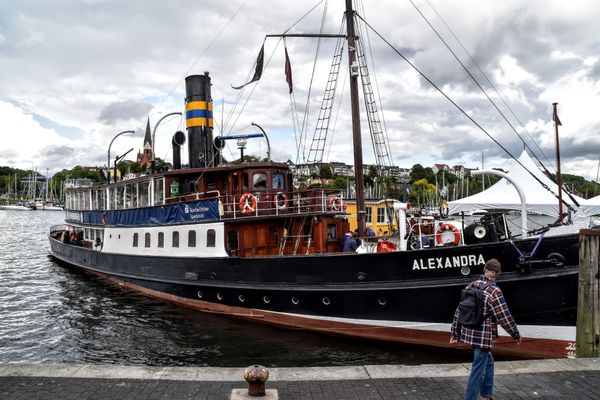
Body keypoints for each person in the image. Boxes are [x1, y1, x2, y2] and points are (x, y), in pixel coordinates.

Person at [450, 258, 521, 400]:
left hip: (469, 333)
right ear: (498, 274)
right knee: (477, 371)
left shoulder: (472, 285)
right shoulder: (494, 291)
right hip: (483, 337)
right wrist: (516, 335)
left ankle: (486, 395)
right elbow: (504, 317)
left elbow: (459, 311)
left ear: (484, 269)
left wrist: (454, 333)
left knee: (488, 361)